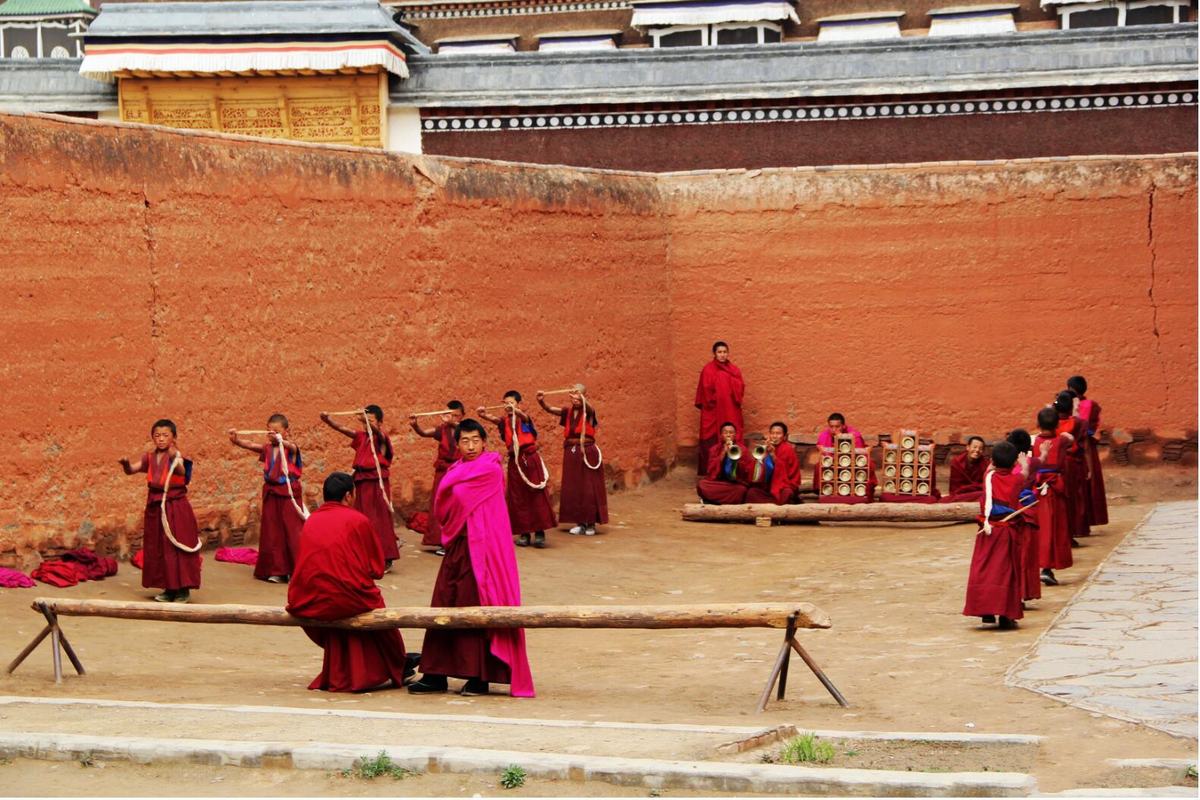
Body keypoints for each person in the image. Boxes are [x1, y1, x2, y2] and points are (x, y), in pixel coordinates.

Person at [408, 419, 535, 697]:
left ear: (484, 442)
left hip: (483, 551)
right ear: (457, 444)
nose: (471, 446)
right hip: (458, 547)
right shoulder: (456, 469)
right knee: (443, 604)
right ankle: (435, 673)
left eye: (475, 440)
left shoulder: (489, 470)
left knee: (475, 607)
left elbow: (463, 499)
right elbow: (447, 507)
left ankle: (480, 677)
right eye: (464, 441)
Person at [286, 473, 414, 693]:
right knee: (372, 605)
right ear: (348, 495)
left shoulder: (311, 521)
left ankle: (346, 669)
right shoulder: (358, 520)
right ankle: (395, 663)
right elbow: (376, 568)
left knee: (338, 595)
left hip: (307, 598)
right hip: (346, 597)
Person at [119, 419, 202, 603]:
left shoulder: (178, 456)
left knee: (176, 546)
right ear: (152, 438)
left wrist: (174, 456)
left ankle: (182, 590)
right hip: (155, 505)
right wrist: (125, 463)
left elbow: (181, 471)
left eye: (165, 435)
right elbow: (131, 470)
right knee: (159, 548)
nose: (161, 439)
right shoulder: (149, 457)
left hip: (175, 506)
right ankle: (168, 588)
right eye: (157, 436)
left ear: (174, 437)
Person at [228, 414, 306, 584]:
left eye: (276, 431)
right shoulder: (268, 448)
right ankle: (277, 570)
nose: (271, 434)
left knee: (292, 531)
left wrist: (280, 440)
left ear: (286, 431)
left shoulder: (291, 448)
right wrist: (237, 440)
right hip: (271, 492)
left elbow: (291, 446)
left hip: (288, 493)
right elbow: (251, 445)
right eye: (269, 431)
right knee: (273, 532)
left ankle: (296, 570)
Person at [962, 441, 1032, 630]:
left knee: (984, 568)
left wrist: (994, 464)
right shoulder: (1016, 480)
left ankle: (986, 611)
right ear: (1012, 465)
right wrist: (1023, 463)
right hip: (1006, 533)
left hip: (987, 532)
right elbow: (1024, 474)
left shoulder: (988, 477)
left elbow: (991, 470)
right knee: (1005, 572)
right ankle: (1005, 615)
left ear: (992, 460)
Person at [320, 404, 399, 566]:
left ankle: (385, 557)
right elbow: (343, 429)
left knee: (378, 519)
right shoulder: (362, 436)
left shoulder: (382, 438)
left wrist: (367, 421)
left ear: (380, 423)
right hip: (361, 480)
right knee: (361, 517)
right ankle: (363, 554)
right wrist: (328, 420)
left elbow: (380, 436)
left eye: (371, 421)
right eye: (365, 422)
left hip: (376, 482)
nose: (367, 425)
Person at [478, 391, 557, 549]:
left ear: (518, 404)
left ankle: (540, 532)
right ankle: (524, 533)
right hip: (515, 460)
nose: (508, 405)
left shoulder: (524, 418)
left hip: (530, 458)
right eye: (505, 402)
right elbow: (495, 420)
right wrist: (483, 414)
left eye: (511, 403)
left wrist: (515, 410)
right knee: (518, 497)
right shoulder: (504, 421)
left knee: (536, 495)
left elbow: (523, 416)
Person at [538, 387, 608, 536]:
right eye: (573, 396)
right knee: (575, 487)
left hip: (587, 451)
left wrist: (581, 397)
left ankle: (591, 524)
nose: (575, 399)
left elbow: (588, 406)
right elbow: (551, 409)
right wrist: (541, 401)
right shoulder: (568, 412)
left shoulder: (588, 411)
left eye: (578, 396)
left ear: (583, 396)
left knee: (589, 488)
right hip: (571, 451)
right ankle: (580, 523)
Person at [410, 401, 465, 556]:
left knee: (457, 506)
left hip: (460, 472)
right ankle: (442, 540)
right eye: (451, 415)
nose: (453, 418)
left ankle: (456, 540)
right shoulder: (442, 429)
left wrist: (453, 424)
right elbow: (424, 433)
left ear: (462, 415)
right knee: (442, 505)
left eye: (456, 415)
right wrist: (415, 425)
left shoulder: (466, 429)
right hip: (443, 472)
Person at [1034, 407, 1074, 586]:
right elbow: (1072, 439)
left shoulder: (1035, 442)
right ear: (1057, 424)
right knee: (1054, 529)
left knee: (1043, 528)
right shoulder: (1061, 441)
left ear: (1037, 425)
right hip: (1055, 489)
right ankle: (1047, 567)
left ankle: (1043, 566)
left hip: (1038, 491)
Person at [694, 341, 745, 476]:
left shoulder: (734, 370)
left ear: (728, 353)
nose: (722, 355)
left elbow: (740, 388)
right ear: (714, 354)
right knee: (710, 436)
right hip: (714, 410)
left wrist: (728, 382)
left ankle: (735, 469)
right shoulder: (708, 370)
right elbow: (705, 390)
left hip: (730, 409)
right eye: (719, 352)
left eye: (724, 352)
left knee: (732, 432)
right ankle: (710, 470)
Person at [1068, 375, 1108, 528]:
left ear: (1070, 388)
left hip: (1074, 447)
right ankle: (1092, 518)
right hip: (1088, 446)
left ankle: (1080, 521)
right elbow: (1092, 427)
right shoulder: (1092, 405)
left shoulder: (1070, 404)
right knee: (1090, 482)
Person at [1007, 428, 1041, 605]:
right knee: (1026, 555)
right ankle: (1023, 591)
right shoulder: (1032, 462)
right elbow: (1042, 460)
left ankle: (1014, 593)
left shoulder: (1007, 469)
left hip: (1012, 514)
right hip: (1028, 510)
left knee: (1014, 556)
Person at [1054, 390, 1090, 541]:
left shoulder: (1051, 421)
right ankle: (1077, 529)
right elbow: (1083, 446)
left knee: (1061, 498)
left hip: (1057, 464)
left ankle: (1064, 533)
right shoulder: (1079, 423)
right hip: (1074, 464)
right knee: (1076, 497)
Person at [744, 422, 802, 504]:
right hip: (767, 487)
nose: (774, 436)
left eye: (778, 433)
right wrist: (760, 459)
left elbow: (786, 474)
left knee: (787, 493)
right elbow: (756, 473)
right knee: (751, 493)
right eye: (772, 433)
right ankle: (772, 505)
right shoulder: (765, 448)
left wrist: (773, 455)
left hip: (783, 486)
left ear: (784, 436)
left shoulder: (788, 450)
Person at [696, 422, 748, 505]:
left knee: (742, 490)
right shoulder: (714, 449)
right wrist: (723, 453)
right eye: (725, 432)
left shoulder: (742, 449)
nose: (728, 435)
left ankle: (713, 501)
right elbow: (710, 470)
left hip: (734, 484)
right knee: (702, 485)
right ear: (721, 435)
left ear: (735, 435)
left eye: (731, 433)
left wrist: (736, 461)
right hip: (720, 482)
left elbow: (746, 471)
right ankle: (729, 501)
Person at [946, 436, 991, 502]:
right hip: (961, 494)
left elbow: (985, 485)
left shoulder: (985, 464)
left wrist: (970, 488)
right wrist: (974, 487)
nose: (977, 450)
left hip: (977, 494)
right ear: (968, 447)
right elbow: (955, 487)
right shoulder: (957, 462)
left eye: (980, 448)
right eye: (975, 447)